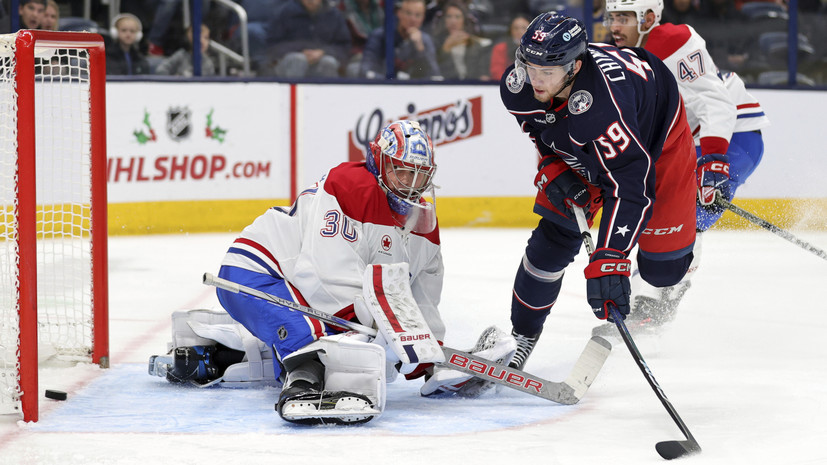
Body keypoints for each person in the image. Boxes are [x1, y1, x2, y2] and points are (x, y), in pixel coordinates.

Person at [148, 120, 516, 424]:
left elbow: (420, 294)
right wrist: (380, 333)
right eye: (401, 172)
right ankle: (302, 382)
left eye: (420, 176)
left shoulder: (423, 221)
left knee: (353, 342)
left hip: (306, 292)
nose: (411, 186)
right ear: (378, 162)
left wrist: (426, 356)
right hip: (256, 272)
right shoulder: (349, 185)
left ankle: (217, 357)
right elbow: (323, 275)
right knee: (325, 337)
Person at [498, 13, 697, 369]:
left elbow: (630, 187)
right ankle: (521, 337)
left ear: (574, 66)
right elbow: (539, 128)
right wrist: (553, 163)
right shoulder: (518, 85)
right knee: (553, 240)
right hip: (587, 139)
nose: (536, 79)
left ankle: (680, 238)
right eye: (530, 66)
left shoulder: (604, 105)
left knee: (662, 270)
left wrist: (611, 257)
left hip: (656, 139)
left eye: (548, 72)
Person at [598, 0, 769, 335]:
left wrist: (715, 160)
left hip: (733, 136)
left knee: (688, 215)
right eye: (612, 17)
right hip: (686, 145)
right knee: (657, 212)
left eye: (624, 18)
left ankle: (658, 301)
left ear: (648, 18)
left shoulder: (671, 41)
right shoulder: (611, 56)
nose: (615, 26)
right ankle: (651, 292)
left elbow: (715, 101)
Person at [263, 0, 352, 78]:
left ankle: (328, 96)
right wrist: (302, 50)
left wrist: (323, 51)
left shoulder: (334, 15)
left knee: (328, 62)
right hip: (289, 59)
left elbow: (344, 46)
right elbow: (272, 46)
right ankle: (290, 96)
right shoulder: (284, 12)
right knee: (298, 60)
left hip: (323, 57)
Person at [359, 0, 442, 79]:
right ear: (399, 13)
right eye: (408, 13)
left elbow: (434, 75)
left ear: (423, 18)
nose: (412, 19)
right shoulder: (381, 36)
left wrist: (420, 49)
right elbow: (366, 70)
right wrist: (395, 81)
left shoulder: (425, 41)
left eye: (418, 15)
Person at [432, 1, 492, 80]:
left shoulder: (475, 44)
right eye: (449, 16)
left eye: (457, 17)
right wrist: (445, 49)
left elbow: (482, 73)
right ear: (444, 20)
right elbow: (436, 71)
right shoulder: (435, 43)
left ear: (464, 20)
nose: (453, 21)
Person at [489, 13, 530, 81]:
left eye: (523, 28)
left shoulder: (538, 49)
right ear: (510, 30)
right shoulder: (501, 48)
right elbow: (497, 72)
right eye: (516, 28)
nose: (519, 31)